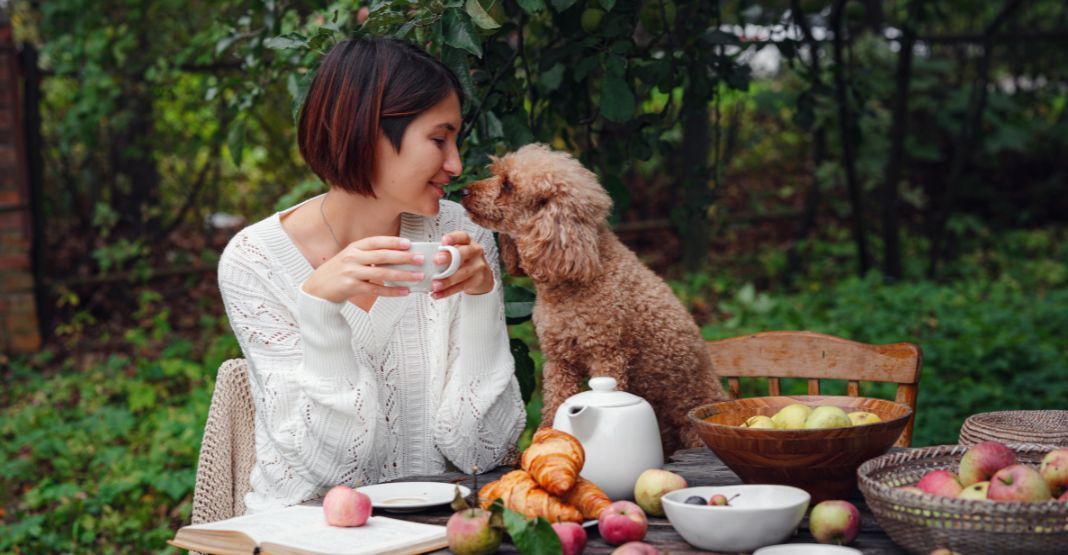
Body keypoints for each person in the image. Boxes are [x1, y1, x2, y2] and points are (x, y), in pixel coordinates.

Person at [216, 37, 525, 514]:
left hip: (439, 533)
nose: (456, 164)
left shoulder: (458, 236)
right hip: (305, 536)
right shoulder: (256, 261)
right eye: (439, 139)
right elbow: (334, 470)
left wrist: (482, 299)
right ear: (365, 132)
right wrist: (319, 310)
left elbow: (480, 451)